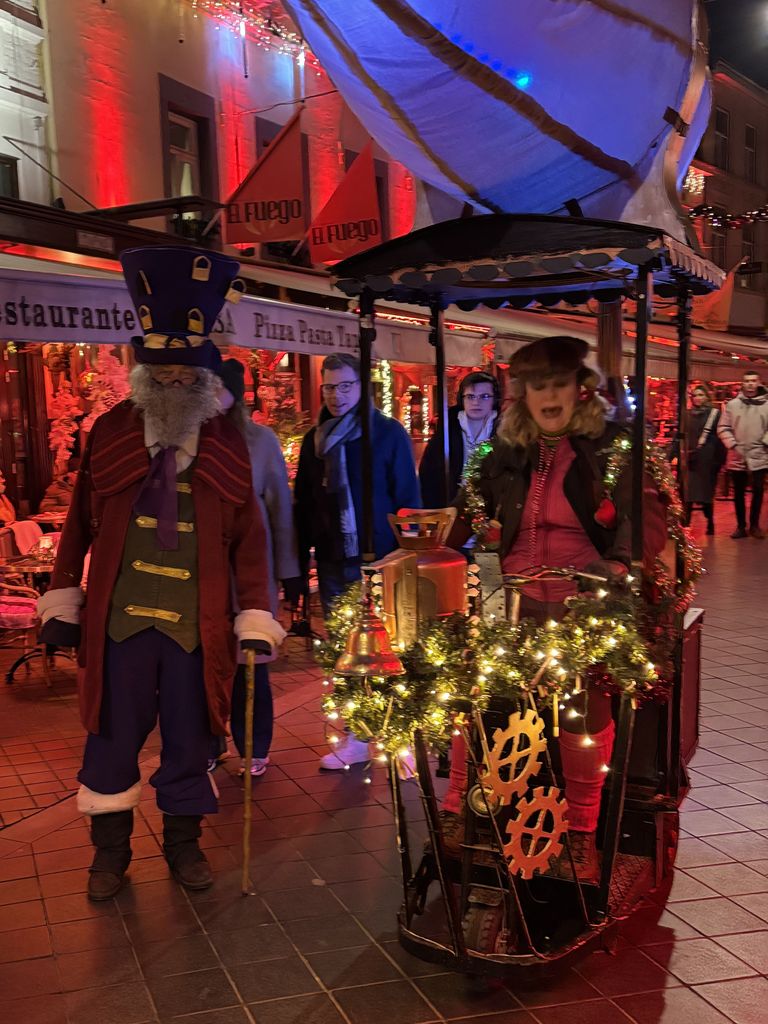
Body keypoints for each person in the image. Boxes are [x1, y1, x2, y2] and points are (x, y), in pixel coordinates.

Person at [37, 246, 285, 901]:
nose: (176, 382)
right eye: (164, 371)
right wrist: (63, 605)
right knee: (111, 743)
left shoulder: (228, 442)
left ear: (206, 378)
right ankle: (108, 859)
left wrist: (255, 617)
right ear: (143, 370)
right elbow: (78, 526)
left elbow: (251, 545)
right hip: (118, 629)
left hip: (195, 634)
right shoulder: (110, 432)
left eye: (187, 374)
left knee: (189, 742)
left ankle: (183, 848)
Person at [447, 336, 667, 884]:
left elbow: (647, 524)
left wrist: (617, 563)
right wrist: (428, 547)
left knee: (582, 710)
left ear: (580, 389)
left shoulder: (612, 449)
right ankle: (460, 805)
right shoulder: (501, 454)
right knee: (465, 687)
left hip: (583, 602)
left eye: (558, 384)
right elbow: (466, 516)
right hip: (509, 597)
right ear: (523, 395)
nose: (548, 396)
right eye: (537, 386)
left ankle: (581, 833)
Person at [294, 352, 421, 769]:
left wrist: (408, 556)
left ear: (362, 388)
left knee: (393, 650)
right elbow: (306, 504)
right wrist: (301, 558)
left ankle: (401, 737)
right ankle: (357, 735)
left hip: (381, 558)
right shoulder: (317, 440)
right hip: (333, 559)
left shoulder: (387, 433)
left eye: (345, 385)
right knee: (345, 652)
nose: (337, 395)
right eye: (329, 387)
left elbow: (407, 500)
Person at [209, 359, 302, 778]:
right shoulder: (191, 437)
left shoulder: (260, 441)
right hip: (205, 571)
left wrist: (289, 569)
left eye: (218, 388)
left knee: (252, 664)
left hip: (252, 568)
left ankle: (254, 746)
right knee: (204, 664)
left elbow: (280, 508)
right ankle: (210, 741)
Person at [418, 370, 500, 508]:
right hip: (451, 508)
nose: (476, 402)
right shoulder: (447, 429)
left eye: (484, 396)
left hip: (492, 510)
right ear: (462, 399)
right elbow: (428, 475)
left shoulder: (504, 431)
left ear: (494, 399)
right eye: (470, 396)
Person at [717, 370, 768, 539]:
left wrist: (765, 442)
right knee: (738, 492)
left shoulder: (767, 405)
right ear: (743, 383)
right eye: (747, 381)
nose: (750, 384)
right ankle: (740, 526)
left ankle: (754, 525)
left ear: (758, 382)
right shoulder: (732, 405)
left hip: (759, 453)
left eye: (753, 380)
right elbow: (723, 427)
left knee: (758, 490)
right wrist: (732, 444)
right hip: (737, 454)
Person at [682, 384, 726, 535]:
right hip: (691, 458)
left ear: (707, 396)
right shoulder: (687, 415)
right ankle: (685, 523)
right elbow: (680, 435)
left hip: (707, 458)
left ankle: (710, 523)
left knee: (706, 494)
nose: (698, 398)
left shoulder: (714, 414)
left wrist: (719, 461)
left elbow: (720, 438)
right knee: (688, 493)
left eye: (701, 395)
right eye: (695, 395)